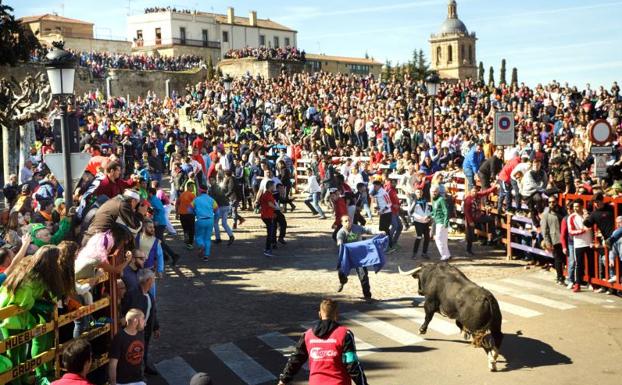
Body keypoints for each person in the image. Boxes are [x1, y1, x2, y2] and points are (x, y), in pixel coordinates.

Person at [277, 299, 369, 385]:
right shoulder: (345, 334)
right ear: (336, 315)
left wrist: (283, 380)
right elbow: (352, 363)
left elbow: (296, 359)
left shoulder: (307, 335)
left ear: (320, 314)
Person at [120, 270, 159, 376]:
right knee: (135, 352)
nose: (154, 281)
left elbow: (152, 312)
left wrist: (156, 327)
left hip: (146, 328)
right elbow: (126, 312)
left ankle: (144, 366)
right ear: (148, 281)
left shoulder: (149, 295)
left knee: (144, 349)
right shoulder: (133, 294)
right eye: (153, 279)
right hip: (135, 330)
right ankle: (137, 373)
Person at [335, 215, 376, 301]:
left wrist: (379, 232)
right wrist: (340, 243)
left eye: (349, 220)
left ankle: (367, 296)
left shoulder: (357, 228)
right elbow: (339, 240)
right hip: (347, 257)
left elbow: (367, 230)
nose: (348, 222)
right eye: (345, 221)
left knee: (363, 275)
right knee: (342, 273)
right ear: (342, 223)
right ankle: (342, 282)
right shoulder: (341, 232)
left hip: (358, 256)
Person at [109, 308, 146, 385]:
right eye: (143, 319)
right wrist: (113, 383)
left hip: (138, 380)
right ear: (136, 321)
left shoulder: (140, 334)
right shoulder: (119, 337)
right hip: (122, 382)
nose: (145, 322)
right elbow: (113, 363)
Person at [463, 184, 498, 255]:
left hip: (478, 216)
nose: (474, 193)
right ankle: (468, 250)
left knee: (490, 219)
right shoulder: (468, 200)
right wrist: (470, 221)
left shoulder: (478, 195)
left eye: (475, 191)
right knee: (470, 234)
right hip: (471, 218)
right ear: (470, 192)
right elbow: (466, 212)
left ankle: (493, 235)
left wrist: (494, 187)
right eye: (473, 191)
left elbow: (486, 192)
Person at [567, 199, 592, 293]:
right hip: (578, 244)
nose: (575, 209)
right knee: (579, 264)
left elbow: (592, 226)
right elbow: (571, 231)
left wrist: (586, 216)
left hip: (589, 243)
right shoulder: (571, 217)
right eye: (574, 207)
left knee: (591, 263)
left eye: (577, 206)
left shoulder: (587, 214)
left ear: (582, 206)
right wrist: (582, 230)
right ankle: (577, 284)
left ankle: (591, 282)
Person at [541, 196, 566, 285]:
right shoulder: (546, 214)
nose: (552, 204)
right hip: (555, 239)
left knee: (565, 258)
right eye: (550, 202)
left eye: (554, 202)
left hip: (565, 238)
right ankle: (560, 277)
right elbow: (544, 230)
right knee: (558, 259)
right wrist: (547, 242)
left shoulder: (562, 211)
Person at [192, 187, 218, 261]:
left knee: (198, 236)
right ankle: (206, 256)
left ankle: (201, 245)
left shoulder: (196, 199)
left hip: (200, 220)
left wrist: (195, 212)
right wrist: (215, 219)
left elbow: (189, 209)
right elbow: (217, 211)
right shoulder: (212, 200)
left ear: (199, 191)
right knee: (207, 238)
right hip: (210, 220)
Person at [408, 188, 431, 259]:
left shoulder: (425, 199)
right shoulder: (413, 201)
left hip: (426, 222)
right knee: (419, 237)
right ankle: (414, 253)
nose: (419, 193)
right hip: (418, 222)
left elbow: (428, 209)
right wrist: (420, 218)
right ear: (415, 193)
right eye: (418, 192)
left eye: (420, 192)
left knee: (427, 238)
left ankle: (424, 253)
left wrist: (428, 216)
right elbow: (410, 212)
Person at [431, 185, 451, 261]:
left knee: (438, 238)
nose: (434, 193)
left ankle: (444, 255)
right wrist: (429, 215)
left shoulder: (441, 199)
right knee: (443, 239)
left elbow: (445, 211)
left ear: (438, 191)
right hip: (437, 221)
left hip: (441, 221)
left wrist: (446, 222)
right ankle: (447, 254)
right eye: (433, 192)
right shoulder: (434, 200)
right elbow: (434, 211)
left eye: (435, 191)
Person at [259, 180, 278, 257]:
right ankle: (267, 249)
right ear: (270, 186)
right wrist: (277, 208)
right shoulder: (268, 194)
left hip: (267, 215)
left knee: (270, 232)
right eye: (273, 186)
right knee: (270, 233)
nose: (274, 187)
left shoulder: (267, 193)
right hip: (267, 215)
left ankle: (268, 248)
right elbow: (270, 204)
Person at [176, 183, 196, 249]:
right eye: (192, 187)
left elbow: (177, 203)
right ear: (188, 187)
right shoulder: (192, 195)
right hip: (190, 215)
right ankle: (190, 244)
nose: (193, 188)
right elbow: (196, 205)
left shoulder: (182, 194)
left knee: (185, 229)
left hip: (182, 214)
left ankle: (186, 236)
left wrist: (177, 213)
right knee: (191, 229)